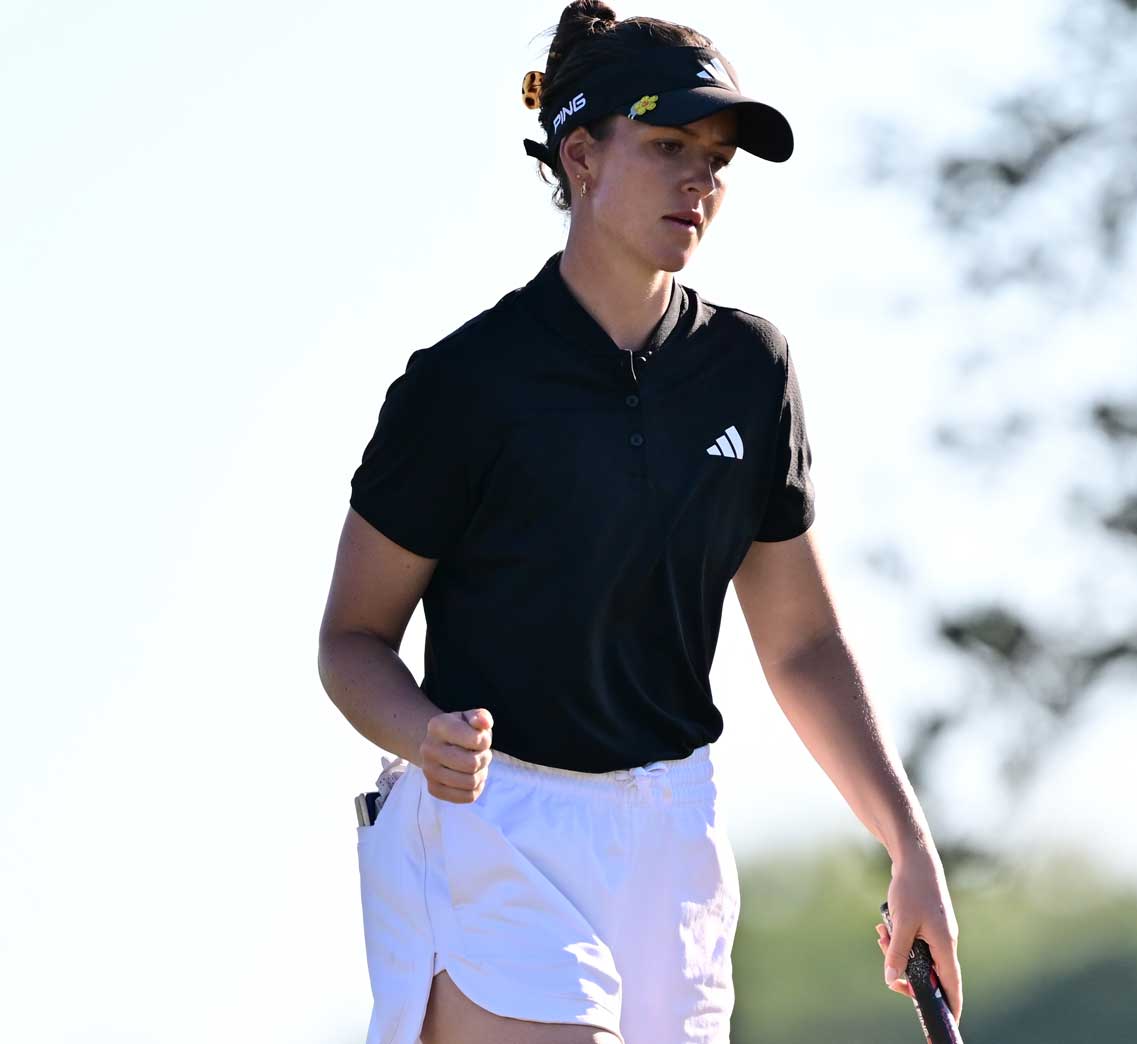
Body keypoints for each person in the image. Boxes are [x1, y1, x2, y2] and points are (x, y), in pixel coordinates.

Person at [316, 7, 962, 1042]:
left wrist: (906, 842)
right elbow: (350, 641)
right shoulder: (463, 386)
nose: (698, 181)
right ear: (579, 155)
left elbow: (799, 644)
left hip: (673, 837)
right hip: (494, 826)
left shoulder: (750, 371)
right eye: (667, 148)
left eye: (714, 159)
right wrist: (421, 735)